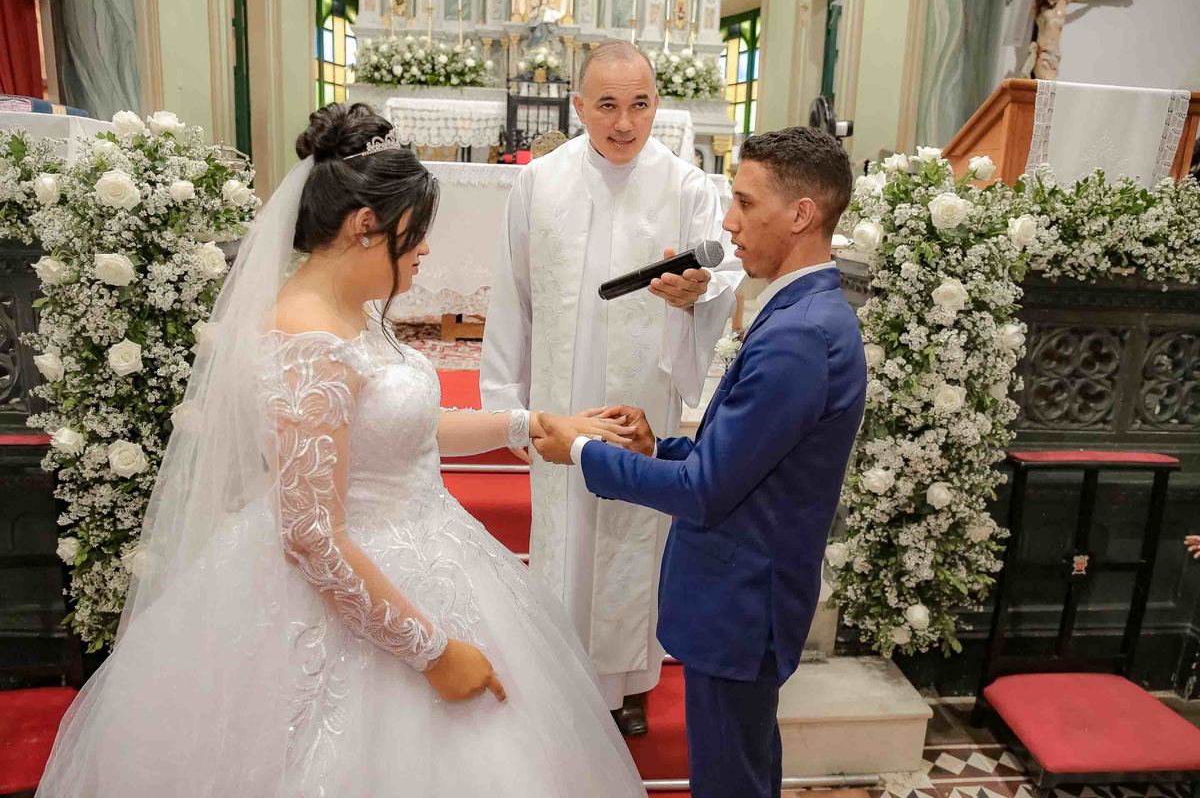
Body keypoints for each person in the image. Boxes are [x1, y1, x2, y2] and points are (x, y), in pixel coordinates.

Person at [36, 103, 646, 797]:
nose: (424, 252)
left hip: (427, 546)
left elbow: (402, 426)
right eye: (415, 234)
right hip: (351, 589)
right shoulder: (307, 340)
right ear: (365, 226)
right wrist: (432, 652)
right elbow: (311, 537)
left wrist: (528, 424)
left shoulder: (352, 312)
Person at [534, 126, 868, 797]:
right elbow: (745, 462)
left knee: (728, 782)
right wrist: (656, 447)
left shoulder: (801, 334)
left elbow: (706, 490)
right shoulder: (805, 310)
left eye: (745, 202)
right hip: (745, 595)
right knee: (744, 770)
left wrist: (582, 451)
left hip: (740, 602)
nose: (728, 221)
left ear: (801, 214)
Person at [481, 40, 742, 735]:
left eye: (639, 104)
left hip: (641, 395)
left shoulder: (688, 185)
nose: (625, 123)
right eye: (607, 105)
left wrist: (696, 293)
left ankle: (628, 683)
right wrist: (505, 403)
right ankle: (560, 671)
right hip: (561, 395)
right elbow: (512, 294)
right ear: (579, 106)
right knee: (565, 527)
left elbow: (721, 279)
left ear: (657, 105)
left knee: (633, 529)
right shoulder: (539, 182)